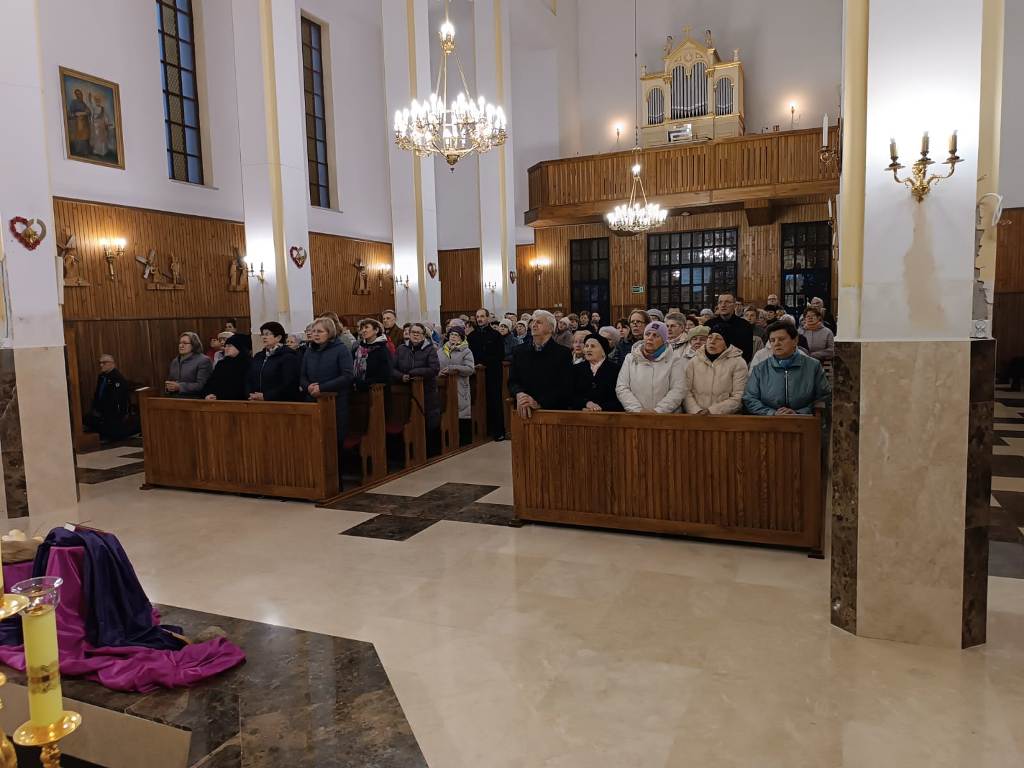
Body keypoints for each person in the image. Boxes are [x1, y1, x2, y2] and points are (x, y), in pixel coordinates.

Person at [743, 322, 831, 415]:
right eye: (772, 340)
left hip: (804, 420)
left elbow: (823, 397)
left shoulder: (813, 366)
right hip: (769, 420)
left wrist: (799, 412)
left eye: (781, 339)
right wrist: (772, 413)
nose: (776, 343)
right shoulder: (760, 369)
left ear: (795, 340)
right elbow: (750, 398)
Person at [508, 309, 573, 420]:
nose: (534, 324)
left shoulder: (563, 353)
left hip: (551, 412)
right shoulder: (519, 351)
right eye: (533, 321)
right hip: (524, 410)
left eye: (539, 322)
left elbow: (564, 386)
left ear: (551, 328)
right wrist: (519, 394)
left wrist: (539, 403)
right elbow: (513, 381)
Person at [615, 321, 685, 413]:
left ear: (664, 340)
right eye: (647, 334)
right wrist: (637, 410)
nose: (650, 338)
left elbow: (678, 390)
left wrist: (658, 411)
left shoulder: (674, 360)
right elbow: (622, 387)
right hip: (636, 415)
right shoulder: (630, 358)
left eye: (655, 335)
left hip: (666, 417)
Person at [683, 328, 748, 415]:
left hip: (725, 417)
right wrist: (696, 411)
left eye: (718, 338)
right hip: (695, 416)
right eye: (710, 337)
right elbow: (686, 391)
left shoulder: (738, 363)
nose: (712, 341)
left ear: (726, 343)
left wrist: (712, 411)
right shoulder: (694, 361)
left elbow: (739, 395)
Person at [468, 308, 507, 440]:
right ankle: (481, 432)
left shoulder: (496, 335)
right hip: (476, 374)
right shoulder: (471, 336)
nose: (479, 319)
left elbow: (500, 355)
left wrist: (484, 362)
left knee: (494, 401)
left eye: (482, 316)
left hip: (493, 373)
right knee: (478, 401)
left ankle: (498, 431)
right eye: (478, 317)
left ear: (488, 318)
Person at [395, 322, 441, 429]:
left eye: (418, 333)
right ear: (409, 334)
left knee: (429, 423)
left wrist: (413, 372)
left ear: (423, 335)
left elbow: (434, 369)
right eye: (413, 332)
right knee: (408, 422)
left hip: (426, 391)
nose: (415, 335)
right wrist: (401, 376)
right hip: (405, 391)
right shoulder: (401, 349)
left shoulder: (430, 349)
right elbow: (392, 368)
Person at [438, 325, 476, 444]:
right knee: (446, 413)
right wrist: (439, 372)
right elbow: (436, 367)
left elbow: (470, 369)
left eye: (456, 335)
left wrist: (453, 368)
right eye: (451, 335)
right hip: (444, 387)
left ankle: (465, 444)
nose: (453, 337)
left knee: (462, 414)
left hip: (460, 386)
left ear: (461, 338)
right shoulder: (441, 351)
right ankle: (449, 443)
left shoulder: (466, 351)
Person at [84, 354, 136, 440]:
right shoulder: (102, 377)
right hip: (101, 410)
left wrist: (103, 411)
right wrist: (95, 408)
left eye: (104, 363)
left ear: (112, 363)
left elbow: (115, 399)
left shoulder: (117, 378)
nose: (101, 365)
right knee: (87, 419)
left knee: (110, 429)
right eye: (100, 363)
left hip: (113, 411)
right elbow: (98, 393)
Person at [247, 322, 300, 401]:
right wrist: (250, 394)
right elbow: (249, 377)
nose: (264, 337)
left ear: (278, 337)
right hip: (255, 400)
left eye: (267, 334)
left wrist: (266, 396)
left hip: (279, 402)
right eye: (262, 334)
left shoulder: (288, 357)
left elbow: (289, 383)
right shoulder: (258, 356)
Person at [572, 334, 622, 412]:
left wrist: (600, 408)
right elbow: (571, 395)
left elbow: (619, 398)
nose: (588, 349)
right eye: (586, 346)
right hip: (580, 415)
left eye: (593, 346)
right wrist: (586, 403)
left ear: (603, 351)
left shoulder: (616, 370)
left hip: (608, 415)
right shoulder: (576, 369)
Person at [202, 334, 251, 401]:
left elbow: (241, 388)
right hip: (215, 401)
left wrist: (219, 396)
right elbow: (211, 382)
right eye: (225, 346)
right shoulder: (221, 364)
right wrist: (207, 394)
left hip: (237, 402)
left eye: (230, 346)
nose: (226, 348)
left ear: (239, 348)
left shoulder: (247, 364)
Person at [165, 332, 212, 397]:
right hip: (174, 399)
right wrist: (169, 387)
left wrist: (179, 387)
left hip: (194, 399)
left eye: (185, 343)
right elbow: (171, 381)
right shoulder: (175, 361)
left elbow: (201, 385)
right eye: (180, 343)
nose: (181, 346)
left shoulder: (203, 360)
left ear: (194, 345)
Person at [712, 293, 754, 362]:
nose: (723, 305)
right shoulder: (709, 324)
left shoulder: (745, 325)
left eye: (727, 302)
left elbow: (748, 353)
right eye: (720, 302)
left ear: (734, 305)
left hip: (737, 365)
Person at [353, 318, 393, 390]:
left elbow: (385, 376)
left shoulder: (382, 350)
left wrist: (362, 383)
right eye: (362, 328)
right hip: (357, 389)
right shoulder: (358, 349)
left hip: (377, 391)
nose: (363, 330)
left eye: (366, 327)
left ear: (376, 330)